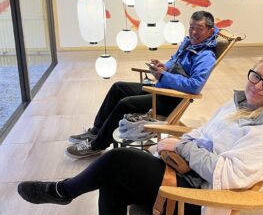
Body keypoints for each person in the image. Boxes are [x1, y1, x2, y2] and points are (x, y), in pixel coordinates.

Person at [18, 57, 263, 215]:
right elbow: (203, 133)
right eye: (255, 76)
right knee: (112, 180)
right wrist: (177, 143)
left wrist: (182, 145)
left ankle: (62, 191)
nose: (257, 85)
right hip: (184, 174)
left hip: (199, 200)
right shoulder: (238, 108)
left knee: (117, 159)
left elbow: (227, 174)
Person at [66, 10, 219, 158]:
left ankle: (97, 145)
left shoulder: (206, 56)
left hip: (171, 98)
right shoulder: (189, 44)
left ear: (210, 31)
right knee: (118, 87)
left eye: (199, 29)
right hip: (162, 89)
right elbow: (175, 63)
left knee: (126, 103)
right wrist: (163, 67)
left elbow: (194, 85)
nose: (193, 32)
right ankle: (96, 131)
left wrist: (163, 76)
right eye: (191, 27)